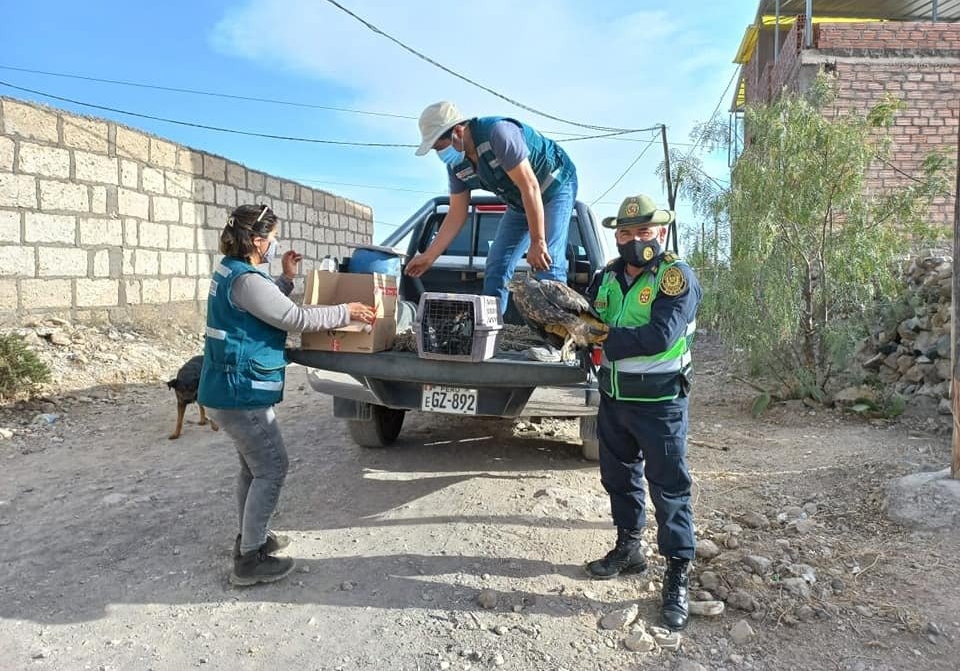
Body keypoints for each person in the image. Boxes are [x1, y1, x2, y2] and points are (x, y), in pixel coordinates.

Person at [198, 203, 375, 587]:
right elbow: (293, 318)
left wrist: (287, 279)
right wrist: (347, 311)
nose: (275, 244)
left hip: (227, 388)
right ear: (258, 241)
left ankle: (251, 537)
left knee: (253, 467)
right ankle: (250, 559)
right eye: (273, 238)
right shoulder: (246, 280)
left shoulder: (233, 273)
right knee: (272, 467)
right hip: (240, 393)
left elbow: (260, 306)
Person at [583, 194, 701, 631]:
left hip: (661, 404)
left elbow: (659, 335)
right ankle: (629, 549)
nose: (635, 240)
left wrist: (597, 338)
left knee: (669, 489)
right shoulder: (607, 277)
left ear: (661, 233)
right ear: (616, 236)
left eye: (644, 232)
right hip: (614, 399)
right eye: (627, 233)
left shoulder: (676, 278)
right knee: (619, 479)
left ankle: (676, 575)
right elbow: (586, 317)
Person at [406, 101, 578, 314]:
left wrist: (537, 241)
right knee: (497, 263)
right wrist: (429, 256)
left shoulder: (499, 134)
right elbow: (456, 213)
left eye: (440, 147)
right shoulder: (456, 166)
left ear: (458, 131)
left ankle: (557, 343)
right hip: (519, 201)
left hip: (553, 186)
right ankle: (489, 331)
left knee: (547, 260)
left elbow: (530, 186)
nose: (439, 154)